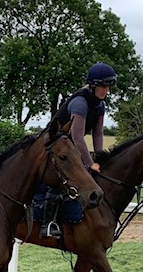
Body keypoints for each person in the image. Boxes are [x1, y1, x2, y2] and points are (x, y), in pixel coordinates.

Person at [40, 62, 117, 238]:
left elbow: (98, 134)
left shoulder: (100, 105)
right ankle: (47, 224)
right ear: (93, 85)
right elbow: (78, 137)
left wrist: (98, 158)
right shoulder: (80, 103)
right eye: (103, 87)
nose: (107, 91)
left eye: (108, 87)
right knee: (58, 180)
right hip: (54, 145)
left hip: (70, 147)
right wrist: (89, 163)